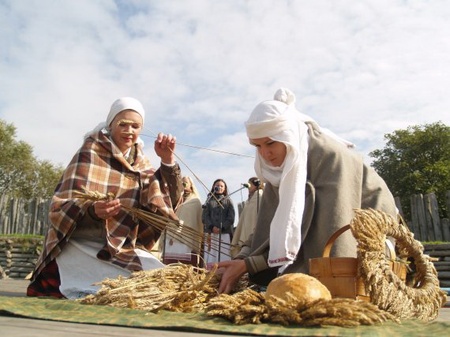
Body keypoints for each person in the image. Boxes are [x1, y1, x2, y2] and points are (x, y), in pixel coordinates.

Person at [216, 88, 397, 294]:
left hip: (368, 233)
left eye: (271, 142)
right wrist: (242, 259)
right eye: (257, 146)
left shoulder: (330, 157)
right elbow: (272, 227)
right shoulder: (278, 168)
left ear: (288, 135)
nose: (265, 153)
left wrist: (252, 265)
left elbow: (334, 235)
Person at [27, 97, 183, 299]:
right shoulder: (90, 152)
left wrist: (167, 161)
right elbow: (59, 207)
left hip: (122, 248)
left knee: (156, 280)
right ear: (111, 124)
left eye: (135, 126)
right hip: (82, 242)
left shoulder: (141, 163)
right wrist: (92, 211)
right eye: (123, 124)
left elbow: (164, 202)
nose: (129, 131)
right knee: (90, 285)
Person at [162, 176, 204, 267]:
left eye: (184, 183)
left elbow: (195, 222)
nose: (182, 185)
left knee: (184, 268)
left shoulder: (195, 201)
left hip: (187, 238)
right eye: (180, 184)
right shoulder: (176, 199)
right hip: (172, 237)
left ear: (191, 186)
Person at [202, 179, 235, 265]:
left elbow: (231, 218)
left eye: (221, 186)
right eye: (217, 185)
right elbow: (205, 216)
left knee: (223, 255)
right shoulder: (209, 200)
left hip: (224, 233)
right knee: (210, 256)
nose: (219, 187)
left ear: (224, 189)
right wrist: (212, 227)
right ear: (213, 187)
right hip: (210, 233)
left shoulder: (228, 201)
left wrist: (222, 227)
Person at [230, 177, 264, 258]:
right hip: (246, 230)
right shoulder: (249, 199)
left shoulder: (260, 196)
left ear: (256, 185)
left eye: (250, 184)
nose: (248, 187)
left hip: (253, 230)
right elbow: (245, 217)